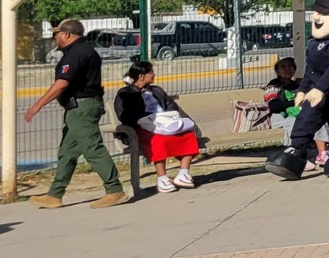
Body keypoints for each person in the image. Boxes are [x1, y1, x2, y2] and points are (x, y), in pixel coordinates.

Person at [24, 18, 125, 209]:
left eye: (56, 35)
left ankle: (114, 190)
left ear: (67, 34)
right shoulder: (82, 51)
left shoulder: (76, 53)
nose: (55, 38)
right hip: (77, 108)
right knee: (67, 152)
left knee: (92, 148)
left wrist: (37, 105)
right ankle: (55, 195)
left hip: (82, 108)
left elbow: (61, 84)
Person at [113, 59, 200, 194]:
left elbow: (172, 107)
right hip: (144, 127)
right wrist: (146, 118)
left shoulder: (157, 90)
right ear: (141, 76)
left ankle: (183, 173)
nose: (154, 74)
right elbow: (123, 115)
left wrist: (166, 119)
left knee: (188, 136)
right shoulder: (126, 93)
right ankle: (162, 178)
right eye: (151, 72)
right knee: (158, 140)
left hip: (165, 124)